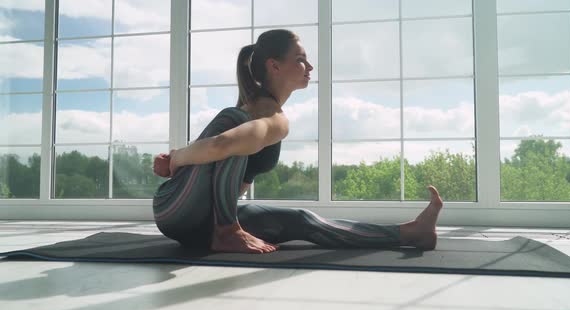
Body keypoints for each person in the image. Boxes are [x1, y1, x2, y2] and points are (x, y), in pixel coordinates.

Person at [152, 29, 443, 254]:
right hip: (174, 210)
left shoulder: (273, 118)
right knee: (236, 127)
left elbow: (232, 181)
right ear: (274, 66)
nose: (309, 67)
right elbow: (219, 147)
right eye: (300, 59)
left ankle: (410, 232)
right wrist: (176, 158)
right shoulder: (252, 116)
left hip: (201, 223)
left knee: (302, 219)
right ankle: (227, 230)